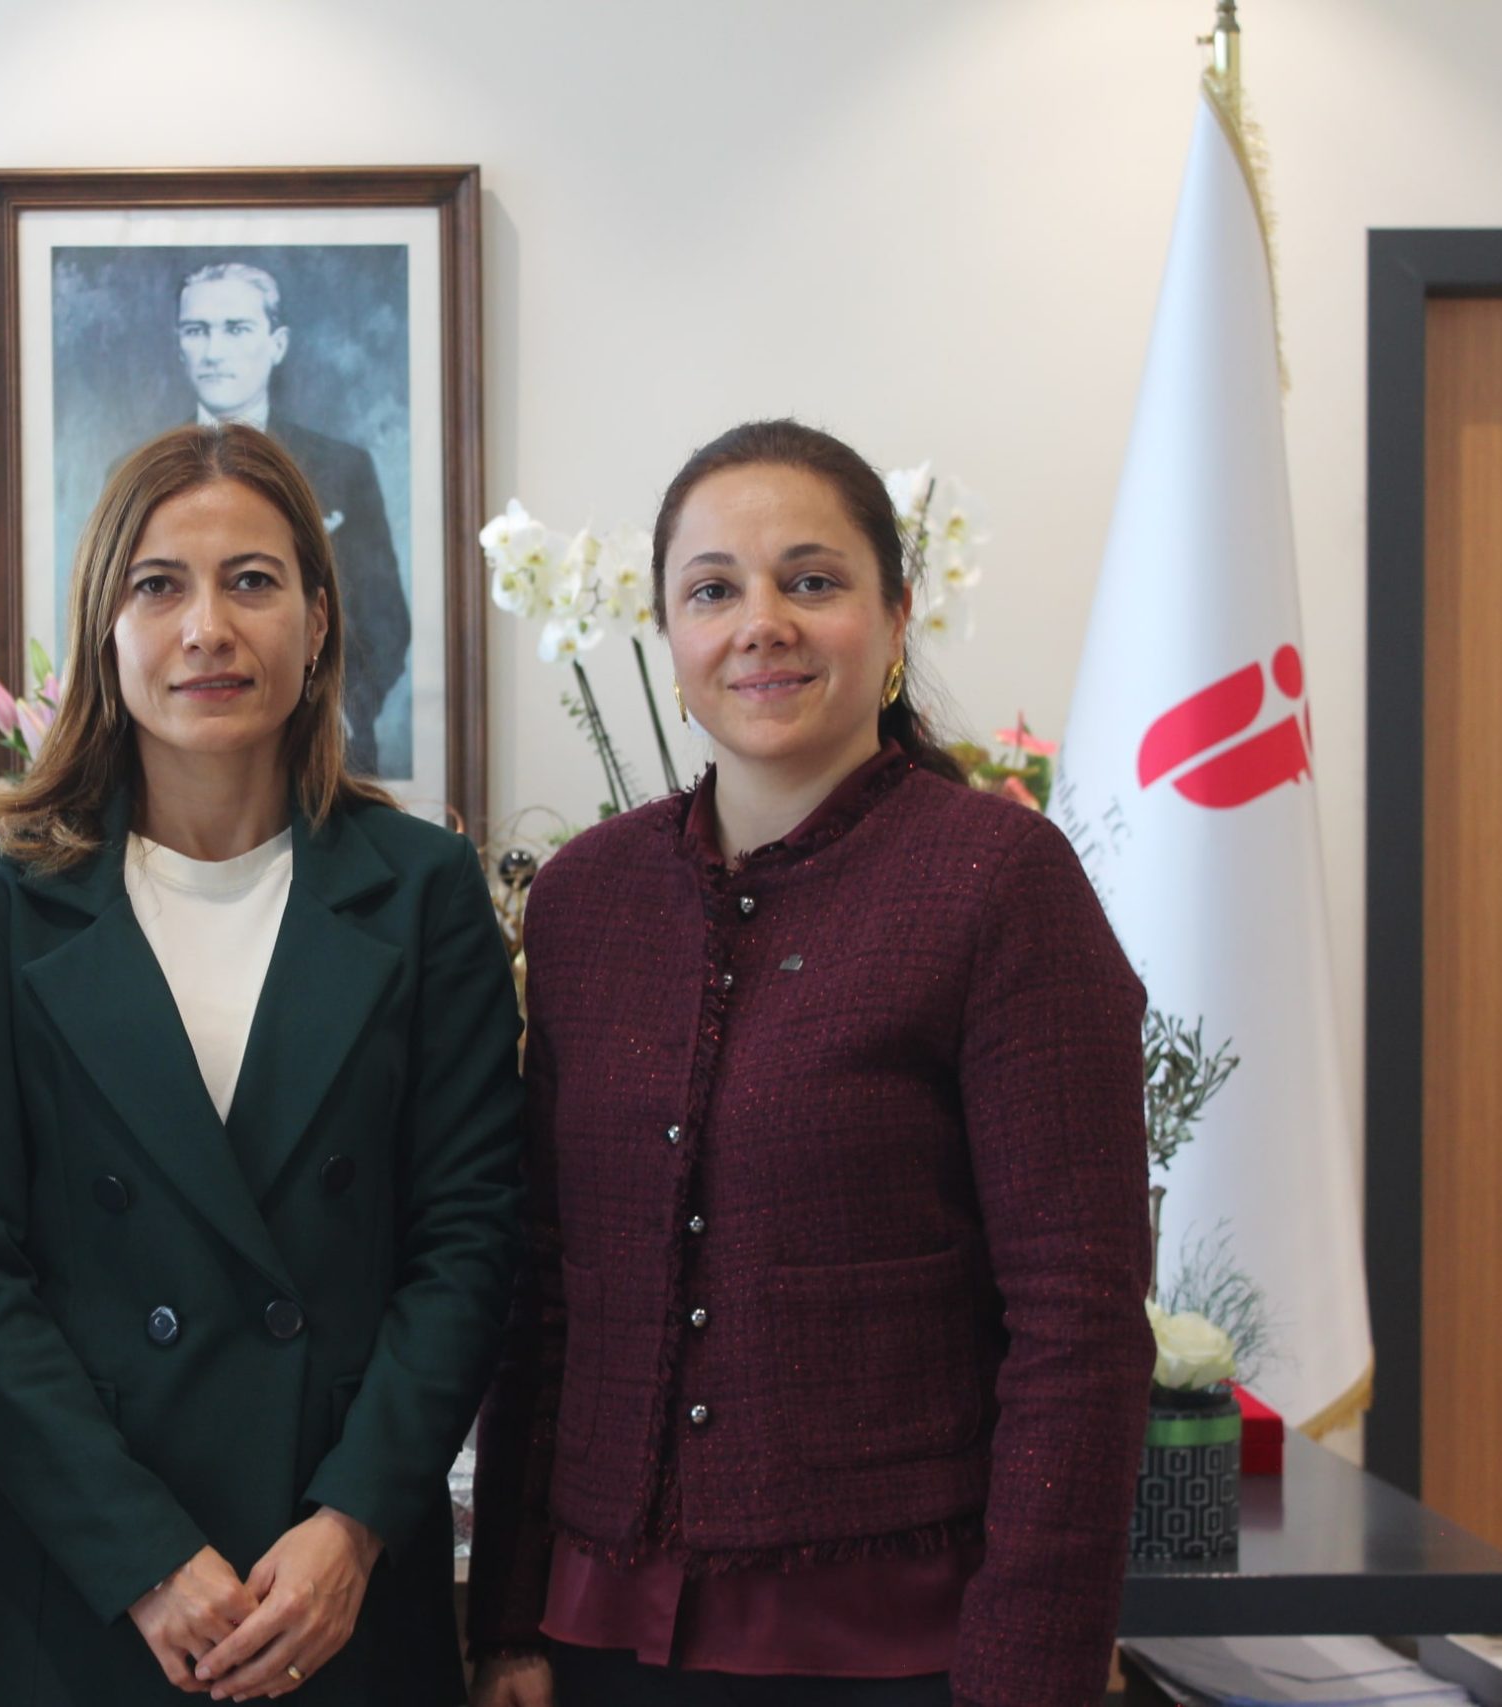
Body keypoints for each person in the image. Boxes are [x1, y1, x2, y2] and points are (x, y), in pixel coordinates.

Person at [467, 420, 1153, 1707]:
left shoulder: (1000, 883)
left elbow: (1078, 1325)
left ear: (894, 620)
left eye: (812, 580)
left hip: (897, 1650)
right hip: (597, 1639)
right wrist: (504, 1621)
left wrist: (1030, 1674)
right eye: (712, 590)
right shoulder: (583, 900)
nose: (760, 624)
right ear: (668, 637)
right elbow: (544, 1292)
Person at [0, 421, 519, 1704]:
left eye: (251, 581)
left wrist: (353, 1523)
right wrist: (140, 1555)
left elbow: (467, 1243)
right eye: (158, 585)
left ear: (318, 621)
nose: (206, 630)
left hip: (334, 1576)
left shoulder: (424, 889)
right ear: (105, 628)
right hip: (78, 1575)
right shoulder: (0, 898)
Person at [174, 262, 412, 777]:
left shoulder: (343, 468)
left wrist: (333, 707)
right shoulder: (131, 474)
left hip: (326, 757)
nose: (213, 351)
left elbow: (386, 620)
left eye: (236, 329)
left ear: (277, 343)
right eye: (196, 330)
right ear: (180, 344)